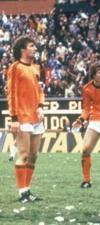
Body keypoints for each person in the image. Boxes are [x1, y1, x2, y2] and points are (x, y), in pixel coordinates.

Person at [7, 36, 45, 203]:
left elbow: (39, 90)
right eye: (32, 46)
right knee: (23, 153)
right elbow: (12, 93)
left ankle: (27, 190)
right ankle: (22, 192)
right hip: (22, 117)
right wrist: (14, 117)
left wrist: (41, 106)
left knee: (34, 155)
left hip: (36, 118)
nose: (35, 48)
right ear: (23, 49)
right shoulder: (15, 68)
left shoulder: (36, 68)